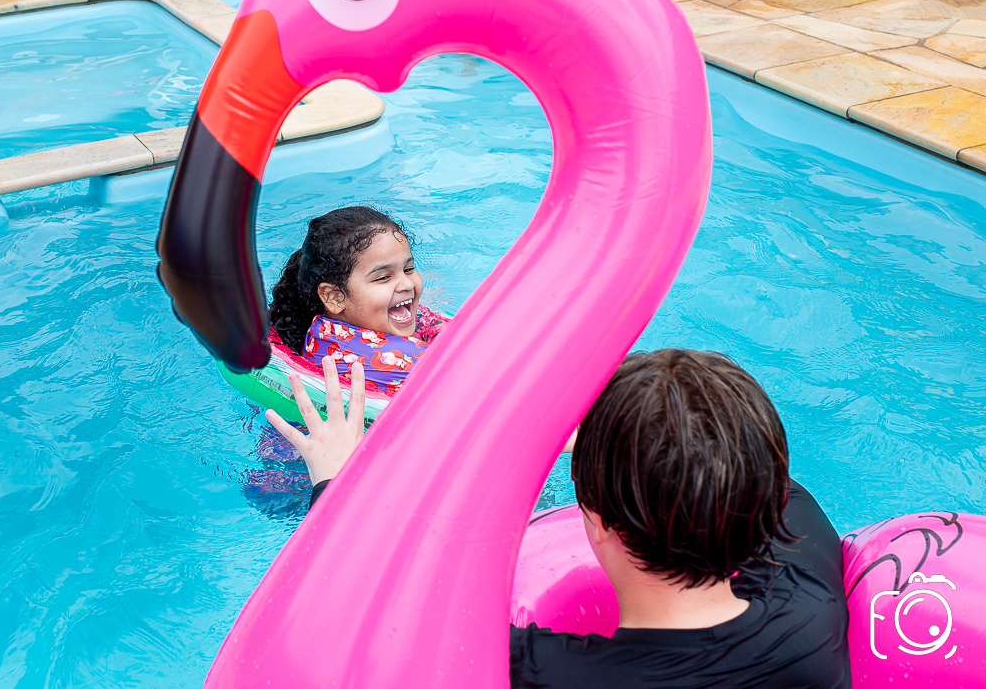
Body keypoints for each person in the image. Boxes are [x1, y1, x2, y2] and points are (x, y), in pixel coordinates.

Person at [268, 349, 851, 688]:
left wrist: (334, 484)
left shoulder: (536, 673)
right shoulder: (812, 611)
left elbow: (369, 621)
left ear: (593, 520)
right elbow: (774, 486)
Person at [268, 206, 444, 396]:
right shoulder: (387, 363)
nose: (407, 284)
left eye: (408, 269)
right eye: (383, 277)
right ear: (334, 297)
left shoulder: (327, 329)